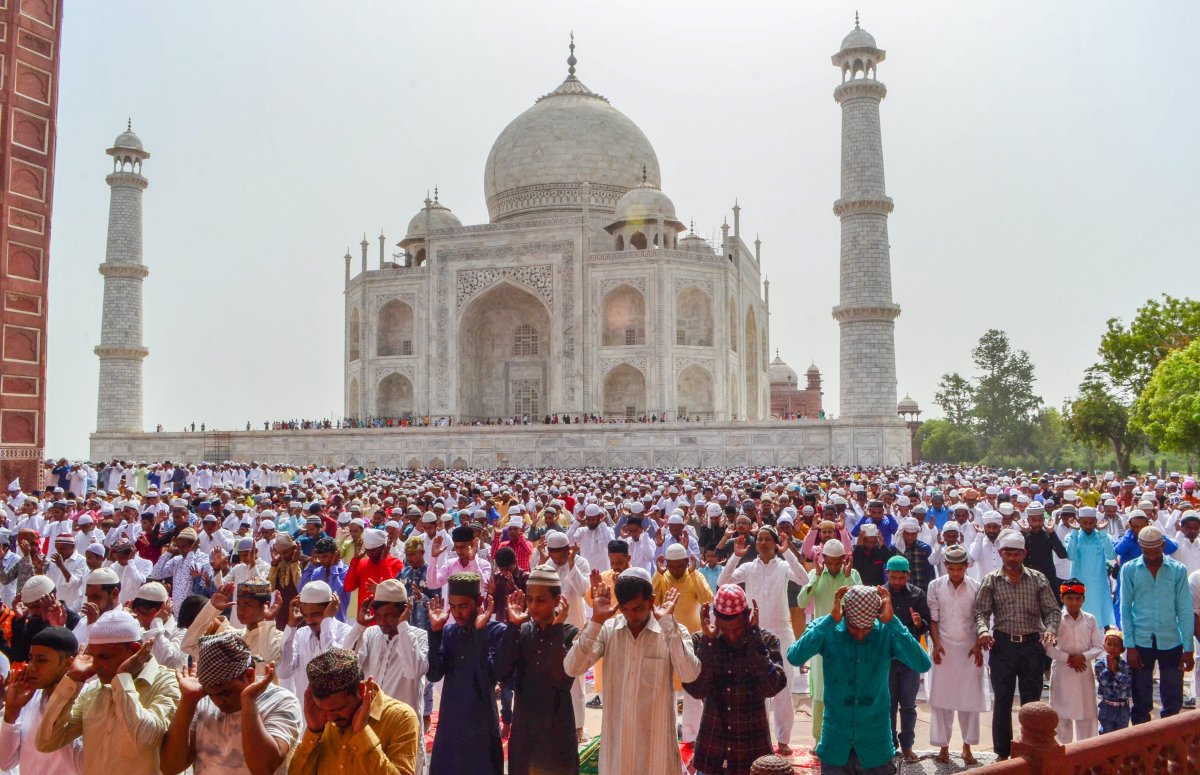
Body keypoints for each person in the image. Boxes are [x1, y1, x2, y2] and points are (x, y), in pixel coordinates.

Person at [564, 567, 701, 775]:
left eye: (637, 608)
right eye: (624, 609)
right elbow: (572, 667)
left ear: (652, 600)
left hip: (657, 752)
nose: (631, 615)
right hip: (617, 751)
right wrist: (595, 621)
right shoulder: (607, 631)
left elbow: (690, 674)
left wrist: (667, 625)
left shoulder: (672, 631)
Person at [787, 585, 931, 775]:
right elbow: (795, 657)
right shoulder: (827, 628)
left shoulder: (887, 631)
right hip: (835, 745)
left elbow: (922, 664)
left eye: (867, 628)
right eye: (854, 628)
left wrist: (893, 622)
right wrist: (829, 621)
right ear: (844, 613)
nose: (861, 634)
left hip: (876, 747)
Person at [35, 609, 181, 775]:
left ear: (135, 650)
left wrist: (123, 679)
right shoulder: (95, 689)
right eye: (93, 656)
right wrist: (72, 680)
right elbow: (46, 741)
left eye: (105, 657)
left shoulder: (168, 683)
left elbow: (145, 739)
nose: (96, 666)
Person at [716, 525, 809, 755]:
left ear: (776, 543)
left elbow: (804, 578)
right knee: (755, 689)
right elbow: (722, 581)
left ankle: (784, 739)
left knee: (783, 689)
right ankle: (760, 739)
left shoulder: (784, 565)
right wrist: (735, 558)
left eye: (768, 539)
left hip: (781, 633)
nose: (764, 543)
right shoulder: (748, 567)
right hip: (754, 633)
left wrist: (788, 552)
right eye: (760, 539)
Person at [972, 530, 1061, 760]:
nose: (1012, 558)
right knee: (1002, 700)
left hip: (1032, 645)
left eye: (1017, 554)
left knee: (1032, 701)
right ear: (1001, 553)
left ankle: (1030, 749)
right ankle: (1002, 753)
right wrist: (982, 631)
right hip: (1003, 645)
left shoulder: (1037, 578)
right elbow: (981, 612)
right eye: (1008, 553)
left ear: (1024, 554)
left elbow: (1052, 610)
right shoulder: (991, 580)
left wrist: (1050, 629)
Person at [161, 632, 301, 775]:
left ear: (249, 675)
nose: (218, 701)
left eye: (225, 692)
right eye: (211, 694)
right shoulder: (201, 700)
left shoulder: (281, 701)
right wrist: (187, 701)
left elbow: (263, 769)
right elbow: (170, 767)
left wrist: (249, 701)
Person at [684, 584, 787, 775]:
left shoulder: (764, 641)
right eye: (725, 629)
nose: (731, 635)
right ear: (714, 617)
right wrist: (709, 644)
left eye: (737, 629)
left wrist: (754, 642)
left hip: (752, 751)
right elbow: (697, 690)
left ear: (748, 616)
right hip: (712, 749)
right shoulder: (702, 641)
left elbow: (771, 688)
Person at [496, 564, 579, 775]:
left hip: (557, 731)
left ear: (557, 600)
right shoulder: (522, 630)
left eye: (541, 600)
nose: (533, 606)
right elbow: (502, 672)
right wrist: (513, 627)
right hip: (525, 731)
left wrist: (556, 630)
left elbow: (561, 679)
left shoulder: (570, 634)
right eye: (530, 599)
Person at [289, 648, 421, 775]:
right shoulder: (321, 720)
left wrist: (363, 734)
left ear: (361, 690)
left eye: (338, 709)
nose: (330, 719)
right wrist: (313, 732)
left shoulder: (400, 718)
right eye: (323, 709)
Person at [426, 572, 506, 775]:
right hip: (450, 726)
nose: (456, 613)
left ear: (479, 601)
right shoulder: (449, 633)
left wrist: (479, 633)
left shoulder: (496, 632)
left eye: (463, 606)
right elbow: (434, 674)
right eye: (452, 606)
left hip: (481, 726)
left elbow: (488, 676)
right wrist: (435, 632)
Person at [351, 579, 428, 775]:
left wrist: (402, 627)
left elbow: (413, 670)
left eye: (390, 617)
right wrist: (359, 626)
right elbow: (349, 666)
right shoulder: (370, 635)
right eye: (379, 616)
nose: (383, 622)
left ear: (404, 611)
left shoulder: (419, 637)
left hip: (403, 728)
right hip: (369, 727)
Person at [1119, 525, 1195, 722]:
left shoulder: (1178, 570)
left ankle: (1169, 747)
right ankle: (1142, 748)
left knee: (1172, 699)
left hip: (1171, 640)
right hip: (1141, 642)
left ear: (1163, 545)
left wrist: (1188, 648)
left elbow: (1185, 611)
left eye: (1156, 551)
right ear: (1140, 547)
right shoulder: (1129, 569)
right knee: (1141, 700)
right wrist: (1130, 646)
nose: (1152, 556)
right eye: (1146, 551)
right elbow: (1125, 609)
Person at [796, 537, 861, 741]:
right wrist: (815, 577)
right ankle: (819, 739)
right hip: (823, 643)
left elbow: (863, 602)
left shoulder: (853, 575)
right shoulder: (816, 575)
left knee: (846, 689)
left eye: (837, 562)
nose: (833, 567)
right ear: (823, 559)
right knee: (820, 692)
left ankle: (845, 737)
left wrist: (849, 577)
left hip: (848, 642)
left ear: (844, 559)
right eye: (829, 562)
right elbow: (801, 602)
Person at [925, 545, 984, 765]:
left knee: (969, 699)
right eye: (952, 569)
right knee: (942, 700)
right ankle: (944, 748)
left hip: (970, 650)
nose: (956, 573)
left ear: (967, 566)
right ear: (946, 566)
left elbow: (981, 618)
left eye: (960, 569)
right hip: (944, 649)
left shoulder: (977, 587)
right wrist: (937, 644)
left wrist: (978, 645)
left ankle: (967, 748)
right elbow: (934, 618)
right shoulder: (935, 586)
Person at [653, 541, 713, 749]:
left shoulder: (695, 576)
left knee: (692, 690)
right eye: (672, 566)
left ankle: (690, 735)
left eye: (680, 565)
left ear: (687, 562)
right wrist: (659, 574)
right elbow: (650, 600)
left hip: (692, 640)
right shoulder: (663, 578)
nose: (677, 570)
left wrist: (695, 575)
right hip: (667, 639)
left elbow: (708, 599)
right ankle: (667, 733)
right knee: (666, 689)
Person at [0, 626, 83, 774]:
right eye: (31, 659)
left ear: (68, 663)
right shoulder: (30, 699)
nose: (31, 667)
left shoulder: (86, 699)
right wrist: (12, 711)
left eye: (41, 660)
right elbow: (6, 763)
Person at [882, 554, 930, 763]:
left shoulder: (918, 595)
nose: (897, 582)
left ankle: (907, 746)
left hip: (909, 658)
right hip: (887, 658)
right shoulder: (880, 594)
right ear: (888, 574)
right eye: (893, 578)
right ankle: (890, 745)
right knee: (888, 704)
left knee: (908, 705)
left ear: (908, 575)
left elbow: (926, 624)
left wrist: (919, 623)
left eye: (901, 578)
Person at [182, 579, 283, 676]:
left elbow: (269, 662)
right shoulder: (232, 638)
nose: (240, 610)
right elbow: (189, 646)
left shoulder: (278, 638)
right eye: (238, 604)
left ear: (265, 606)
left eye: (247, 605)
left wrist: (268, 622)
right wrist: (212, 608)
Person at [1045, 578, 1104, 742]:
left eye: (1078, 598)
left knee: (1087, 715)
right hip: (1063, 672)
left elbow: (1098, 647)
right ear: (1062, 598)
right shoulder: (1055, 619)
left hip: (1084, 672)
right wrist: (1068, 658)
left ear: (1083, 599)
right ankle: (1063, 759)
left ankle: (1087, 758)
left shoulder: (1090, 619)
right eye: (1069, 598)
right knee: (1061, 716)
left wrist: (1083, 657)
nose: (1074, 602)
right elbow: (1048, 648)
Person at [277, 580, 354, 697]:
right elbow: (283, 672)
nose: (309, 621)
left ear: (330, 609)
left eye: (315, 614)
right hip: (304, 711)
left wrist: (327, 623)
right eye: (305, 615)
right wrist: (291, 626)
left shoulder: (346, 633)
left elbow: (331, 670)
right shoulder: (300, 634)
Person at [1065, 507, 1117, 628]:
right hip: (1079, 584)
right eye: (1085, 523)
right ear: (1079, 521)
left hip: (1099, 586)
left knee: (1100, 622)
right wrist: (1074, 531)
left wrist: (1103, 532)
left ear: (1096, 521)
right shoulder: (1072, 536)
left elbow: (1111, 555)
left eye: (1091, 523)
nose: (1088, 526)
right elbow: (1071, 556)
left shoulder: (1103, 535)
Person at [1095, 629, 1133, 733]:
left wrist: (1116, 671)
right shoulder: (1100, 665)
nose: (1112, 647)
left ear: (1121, 649)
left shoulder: (1125, 665)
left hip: (1122, 708)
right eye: (1109, 644)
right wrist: (1109, 669)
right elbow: (1103, 682)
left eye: (1116, 645)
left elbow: (1127, 683)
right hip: (1107, 707)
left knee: (1121, 735)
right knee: (1106, 735)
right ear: (1104, 646)